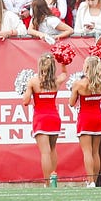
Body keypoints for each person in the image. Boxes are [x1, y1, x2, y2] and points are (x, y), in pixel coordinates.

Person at [22, 50, 65, 182]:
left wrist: (26, 90)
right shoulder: (57, 81)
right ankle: (53, 180)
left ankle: (47, 182)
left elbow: (25, 101)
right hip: (54, 117)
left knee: (45, 152)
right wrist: (63, 60)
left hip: (40, 118)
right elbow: (65, 74)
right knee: (52, 149)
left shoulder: (33, 81)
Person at [70, 55, 101, 187]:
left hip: (85, 118)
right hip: (98, 117)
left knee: (87, 152)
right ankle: (95, 181)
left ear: (86, 67)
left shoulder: (79, 83)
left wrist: (74, 91)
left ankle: (90, 181)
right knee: (95, 151)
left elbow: (71, 103)